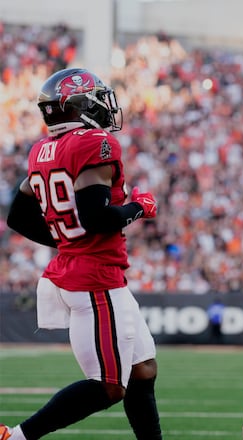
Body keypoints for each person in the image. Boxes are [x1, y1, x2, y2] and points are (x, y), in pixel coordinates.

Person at [1, 68, 161, 440]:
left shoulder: (41, 149)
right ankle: (17, 437)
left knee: (143, 369)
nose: (105, 107)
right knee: (109, 386)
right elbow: (97, 218)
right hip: (95, 278)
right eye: (97, 99)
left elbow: (18, 216)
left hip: (88, 270)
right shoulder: (93, 142)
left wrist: (66, 241)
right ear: (78, 105)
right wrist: (139, 206)